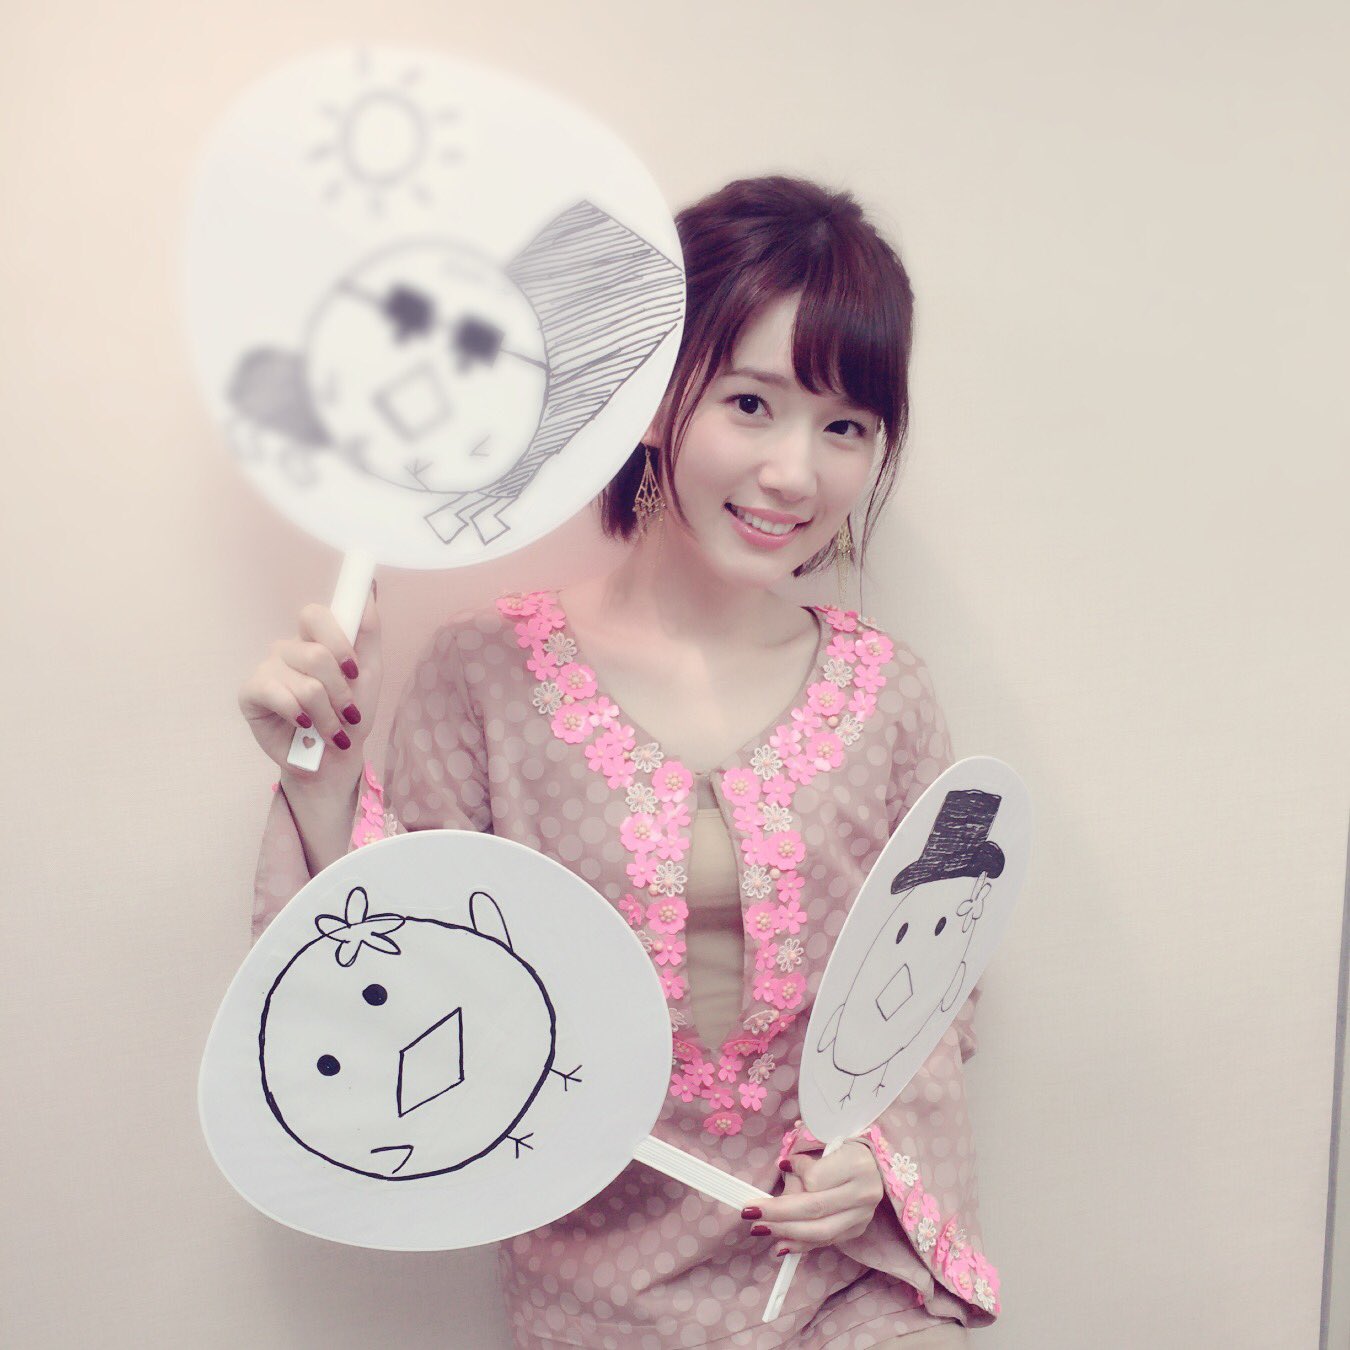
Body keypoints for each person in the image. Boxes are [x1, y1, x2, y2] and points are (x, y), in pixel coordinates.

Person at [242, 176, 998, 1349]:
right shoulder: (485, 673)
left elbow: (934, 988)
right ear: (650, 399)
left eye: (845, 426)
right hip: (595, 1268)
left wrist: (876, 1163)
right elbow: (402, 972)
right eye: (751, 403)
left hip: (840, 1273)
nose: (796, 472)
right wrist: (322, 775)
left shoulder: (889, 694)